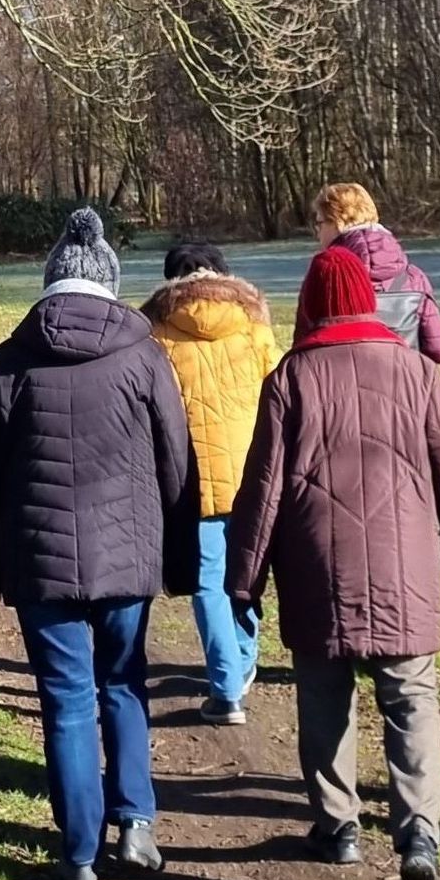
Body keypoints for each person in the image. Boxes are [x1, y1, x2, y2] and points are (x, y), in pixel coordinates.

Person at [227, 247, 440, 880]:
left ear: (311, 302)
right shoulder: (417, 371)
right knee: (411, 699)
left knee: (323, 696)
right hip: (406, 565)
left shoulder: (291, 377)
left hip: (317, 562)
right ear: (368, 301)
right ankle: (419, 834)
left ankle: (337, 824)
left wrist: (244, 577)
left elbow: (263, 488)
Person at [0, 208, 199, 880]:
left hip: (39, 560)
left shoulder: (11, 358)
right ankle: (136, 822)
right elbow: (177, 463)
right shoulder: (144, 354)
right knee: (123, 682)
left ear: (50, 281)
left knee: (65, 700)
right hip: (127, 552)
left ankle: (78, 853)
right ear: (110, 284)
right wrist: (181, 561)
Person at [143, 242, 278, 726]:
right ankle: (242, 658)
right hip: (254, 473)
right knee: (248, 573)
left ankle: (227, 687)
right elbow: (280, 393)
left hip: (192, 476)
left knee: (208, 582)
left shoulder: (156, 334)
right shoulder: (254, 327)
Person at [299, 182, 440, 363]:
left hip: (339, 377)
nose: (317, 232)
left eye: (319, 223)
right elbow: (438, 350)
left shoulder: (324, 277)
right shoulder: (414, 278)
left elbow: (303, 349)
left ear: (337, 222)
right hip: (404, 375)